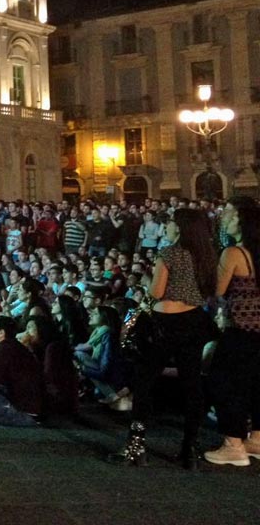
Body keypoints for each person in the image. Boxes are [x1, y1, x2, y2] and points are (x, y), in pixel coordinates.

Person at [108, 208, 217, 469]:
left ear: (179, 228)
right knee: (192, 385)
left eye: (169, 222)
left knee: (144, 382)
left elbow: (156, 291)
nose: (166, 225)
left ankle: (136, 446)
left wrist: (148, 285)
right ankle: (189, 448)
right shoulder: (207, 256)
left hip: (164, 324)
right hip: (194, 321)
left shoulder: (168, 254)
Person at [204, 196, 260, 466]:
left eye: (227, 213)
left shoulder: (234, 253)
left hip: (240, 329)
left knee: (226, 382)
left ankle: (233, 444)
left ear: (241, 219)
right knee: (257, 383)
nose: (222, 217)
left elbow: (217, 290)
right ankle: (257, 439)